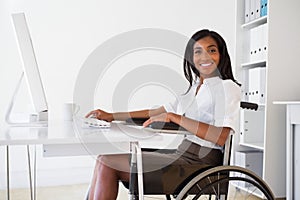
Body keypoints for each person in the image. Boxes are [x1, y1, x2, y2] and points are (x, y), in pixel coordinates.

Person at [85, 29, 241, 200]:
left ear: (221, 55)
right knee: (103, 160)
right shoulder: (194, 88)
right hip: (180, 154)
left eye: (212, 50)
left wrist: (176, 118)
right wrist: (112, 116)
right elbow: (155, 112)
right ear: (191, 57)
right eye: (198, 52)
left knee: (107, 164)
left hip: (201, 164)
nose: (205, 57)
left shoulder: (227, 87)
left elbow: (221, 136)